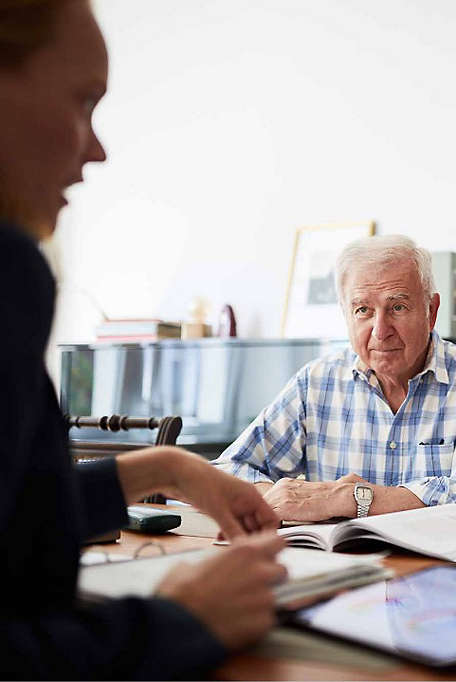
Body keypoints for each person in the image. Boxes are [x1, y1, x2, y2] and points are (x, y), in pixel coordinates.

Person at [0, 1, 288, 677]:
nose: (96, 148)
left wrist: (165, 468)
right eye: (84, 102)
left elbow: (18, 525)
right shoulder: (10, 270)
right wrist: (178, 622)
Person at [214, 234, 456, 521]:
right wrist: (280, 499)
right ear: (346, 315)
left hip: (446, 570)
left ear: (431, 310)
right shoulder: (316, 382)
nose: (380, 330)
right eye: (363, 310)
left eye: (398, 307)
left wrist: (351, 499)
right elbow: (229, 469)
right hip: (339, 567)